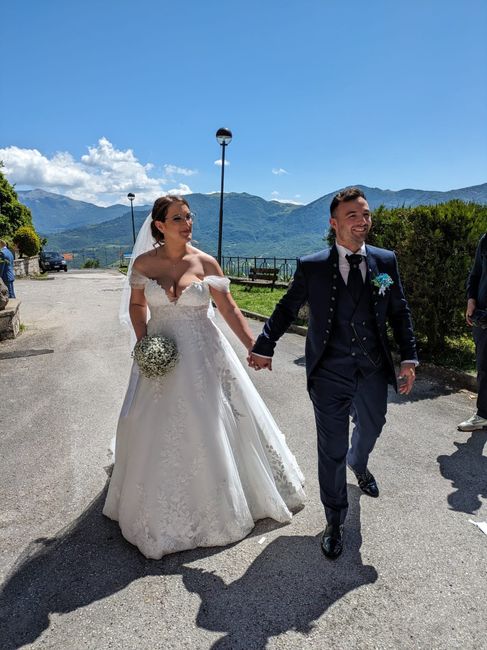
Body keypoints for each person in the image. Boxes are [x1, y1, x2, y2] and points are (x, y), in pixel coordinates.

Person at [103, 195, 305, 559]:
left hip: (205, 356)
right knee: (150, 423)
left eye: (188, 216)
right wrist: (145, 342)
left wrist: (254, 346)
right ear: (159, 225)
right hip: (160, 355)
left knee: (214, 422)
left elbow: (229, 308)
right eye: (177, 218)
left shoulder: (206, 262)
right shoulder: (144, 263)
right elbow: (137, 305)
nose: (187, 223)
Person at [249, 187, 418, 560]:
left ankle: (360, 462)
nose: (362, 221)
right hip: (329, 372)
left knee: (372, 426)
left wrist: (409, 358)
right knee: (331, 449)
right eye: (352, 215)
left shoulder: (385, 261)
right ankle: (334, 519)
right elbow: (286, 308)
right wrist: (265, 343)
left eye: (365, 214)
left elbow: (399, 311)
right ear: (334, 223)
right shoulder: (312, 266)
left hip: (372, 369)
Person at [458, 232, 487, 432]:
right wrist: (471, 300)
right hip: (483, 318)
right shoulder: (486, 240)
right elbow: (475, 274)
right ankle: (483, 415)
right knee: (484, 367)